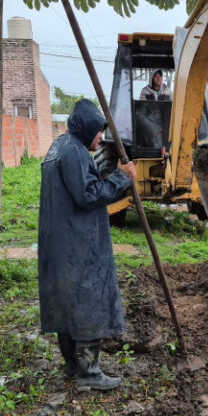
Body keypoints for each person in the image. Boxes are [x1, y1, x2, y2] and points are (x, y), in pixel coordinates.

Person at [38, 99, 137, 391]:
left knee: (68, 303)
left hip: (60, 241)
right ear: (85, 128)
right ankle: (89, 373)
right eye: (98, 130)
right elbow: (89, 194)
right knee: (90, 301)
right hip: (79, 243)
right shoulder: (75, 152)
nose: (101, 137)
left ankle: (73, 365)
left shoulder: (59, 147)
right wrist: (122, 177)